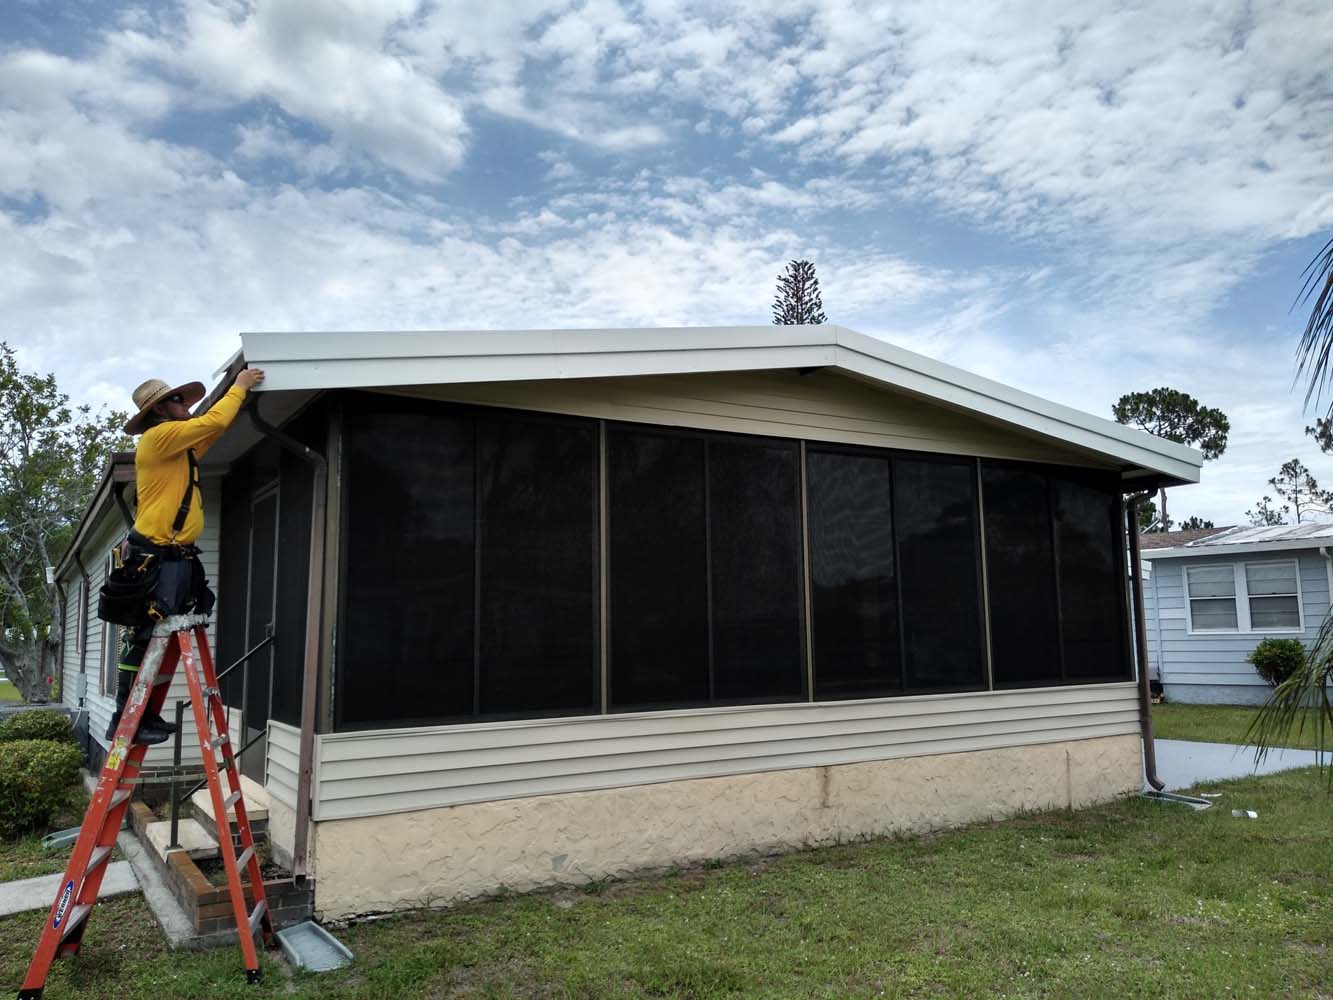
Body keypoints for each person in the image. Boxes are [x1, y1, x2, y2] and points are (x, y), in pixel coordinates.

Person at [107, 366, 266, 744]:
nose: (185, 405)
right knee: (145, 636)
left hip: (174, 555)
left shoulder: (177, 448)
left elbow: (212, 429)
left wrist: (230, 401)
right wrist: (240, 387)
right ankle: (126, 719)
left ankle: (146, 714)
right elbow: (213, 420)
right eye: (178, 400)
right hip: (156, 556)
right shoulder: (160, 437)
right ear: (160, 411)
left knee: (163, 631)